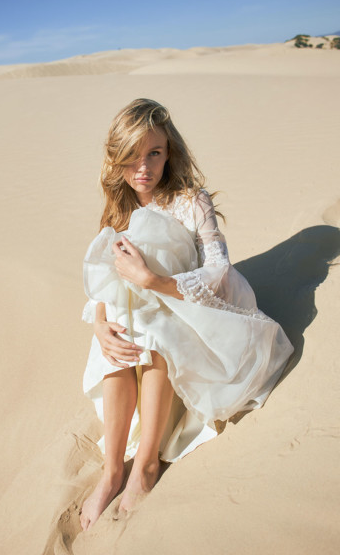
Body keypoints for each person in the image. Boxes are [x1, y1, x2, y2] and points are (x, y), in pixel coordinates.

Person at [80, 98, 294, 531]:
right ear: (117, 158)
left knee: (157, 329)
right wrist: (100, 324)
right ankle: (112, 471)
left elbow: (218, 270)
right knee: (117, 335)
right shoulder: (119, 207)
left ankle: (145, 466)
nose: (143, 167)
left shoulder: (191, 201)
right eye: (132, 156)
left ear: (169, 152)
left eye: (154, 153)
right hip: (136, 307)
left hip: (192, 307)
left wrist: (153, 281)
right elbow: (106, 275)